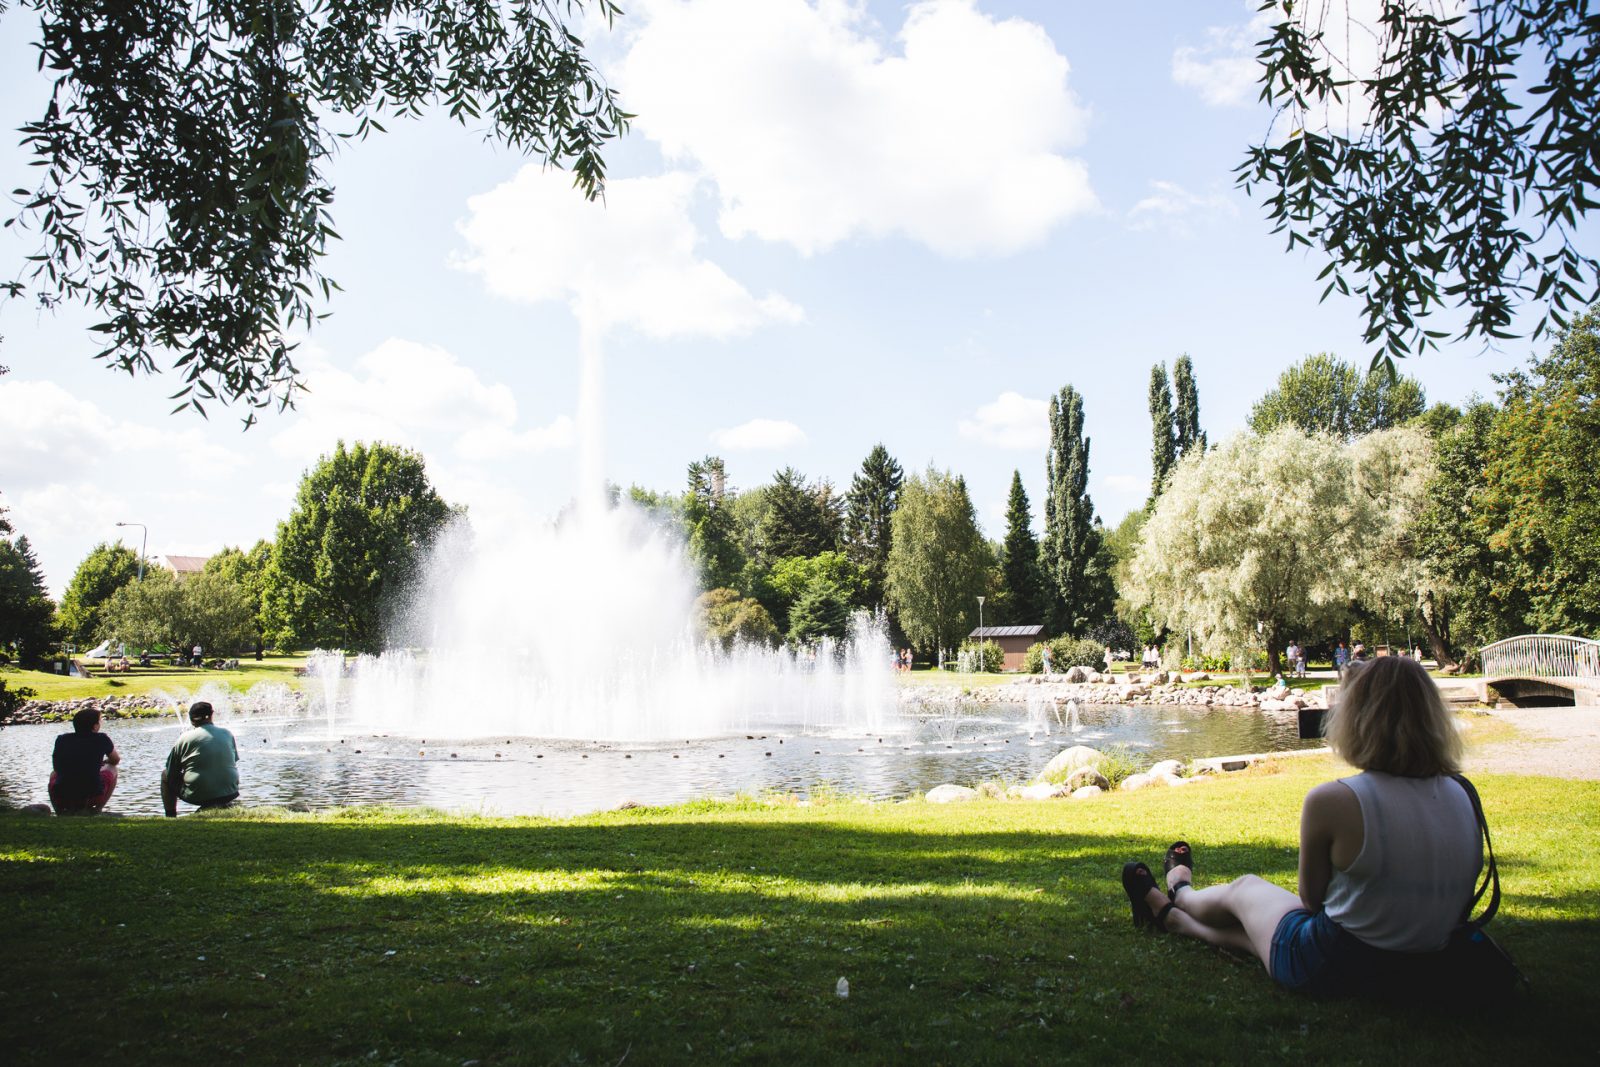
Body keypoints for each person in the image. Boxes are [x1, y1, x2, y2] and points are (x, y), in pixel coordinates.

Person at [1118, 656, 1480, 998]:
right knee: (1261, 928)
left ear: (1357, 720)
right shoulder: (1463, 792)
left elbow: (1311, 901)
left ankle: (1180, 893)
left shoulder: (1335, 800)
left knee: (1245, 890)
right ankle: (1177, 922)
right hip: (1429, 967)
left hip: (1337, 967)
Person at [162, 701, 240, 817]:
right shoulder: (227, 734)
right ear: (211, 715)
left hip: (198, 795)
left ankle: (170, 816)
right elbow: (233, 761)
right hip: (231, 792)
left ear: (191, 719)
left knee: (165, 775)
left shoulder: (184, 738)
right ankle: (224, 802)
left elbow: (171, 770)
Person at [48, 707, 121, 814]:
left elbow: (56, 767)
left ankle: (59, 811)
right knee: (112, 768)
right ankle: (98, 809)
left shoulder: (62, 739)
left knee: (53, 774)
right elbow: (115, 760)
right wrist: (105, 762)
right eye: (99, 722)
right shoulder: (101, 738)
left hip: (62, 797)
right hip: (93, 796)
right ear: (95, 726)